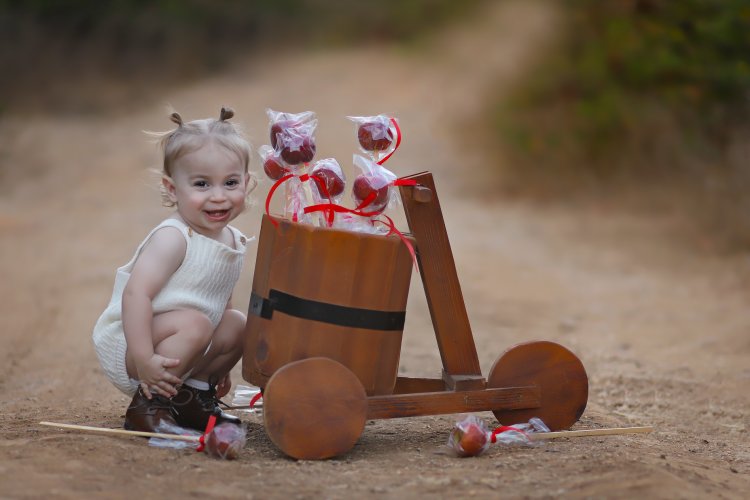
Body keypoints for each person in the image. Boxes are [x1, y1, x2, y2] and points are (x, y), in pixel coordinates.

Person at [92, 107, 257, 433]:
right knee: (194, 323)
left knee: (238, 324)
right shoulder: (174, 237)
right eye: (201, 184)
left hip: (182, 344)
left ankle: (191, 399)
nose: (219, 196)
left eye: (231, 182)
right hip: (133, 345)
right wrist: (144, 359)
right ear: (172, 189)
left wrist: (217, 366)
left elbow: (219, 300)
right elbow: (136, 294)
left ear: (247, 183)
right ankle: (147, 405)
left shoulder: (233, 239)